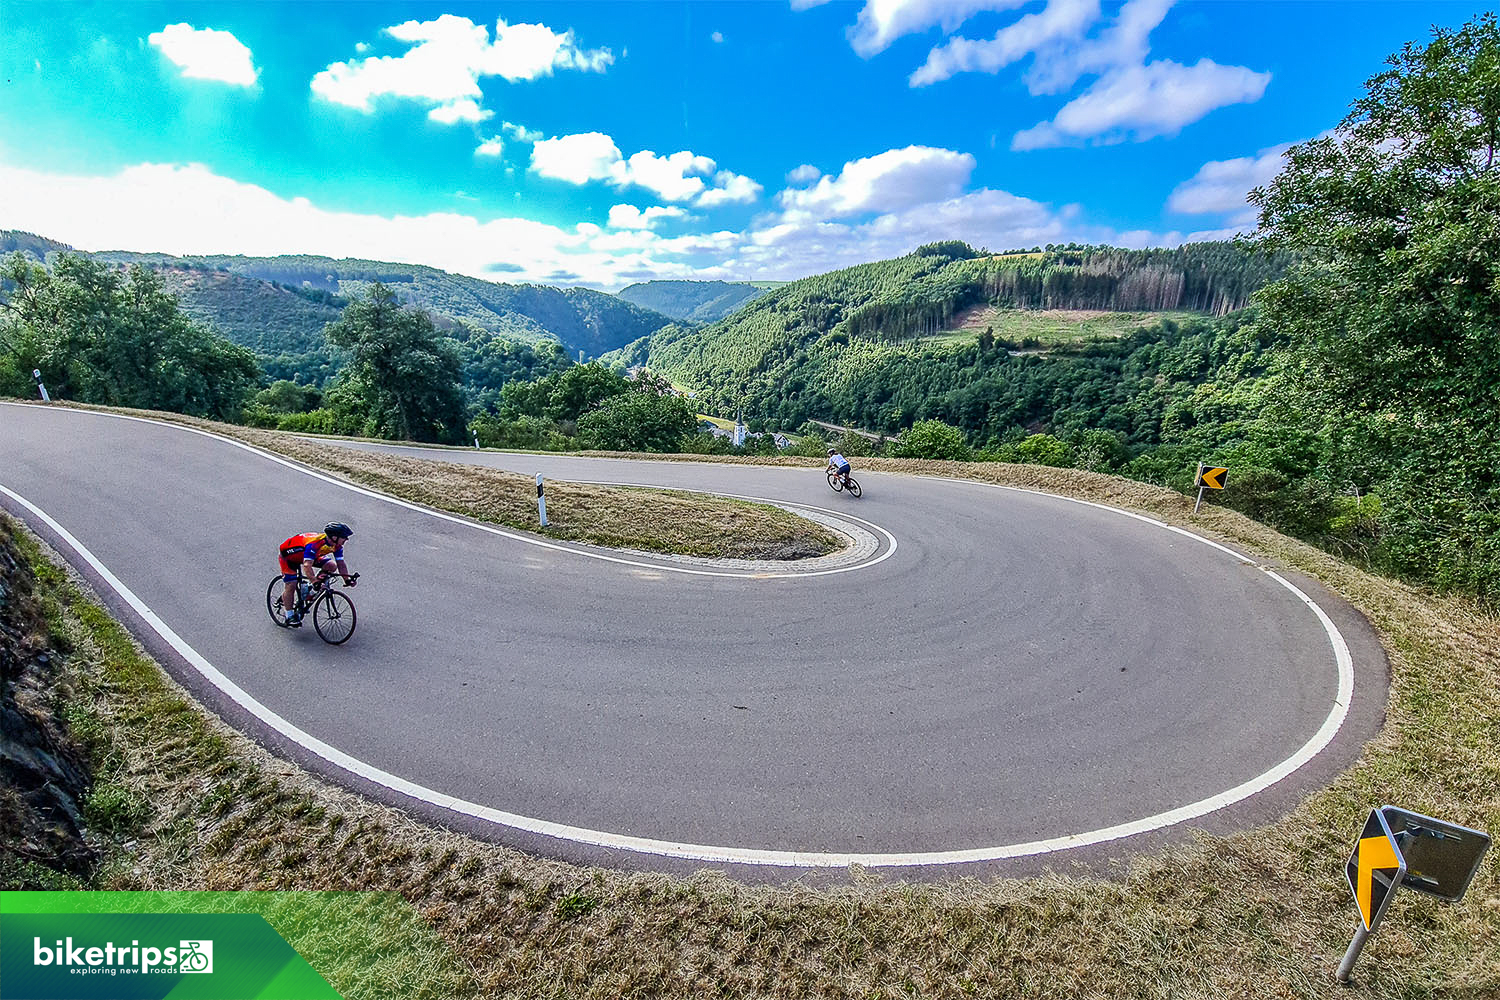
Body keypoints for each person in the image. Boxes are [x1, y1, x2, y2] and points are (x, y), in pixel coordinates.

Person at [277, 522, 356, 627]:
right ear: (334, 537)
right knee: (291, 584)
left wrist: (347, 579)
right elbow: (307, 565)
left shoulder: (336, 545)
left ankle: (309, 590)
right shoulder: (314, 544)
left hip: (310, 555)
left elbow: (340, 564)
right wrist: (314, 581)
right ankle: (289, 616)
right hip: (289, 558)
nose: (346, 539)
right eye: (344, 537)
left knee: (331, 566)